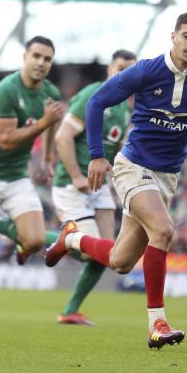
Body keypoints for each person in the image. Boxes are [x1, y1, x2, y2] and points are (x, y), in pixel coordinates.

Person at [45, 12, 187, 349]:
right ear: (172, 36)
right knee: (163, 230)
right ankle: (157, 323)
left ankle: (72, 238)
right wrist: (97, 155)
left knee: (120, 261)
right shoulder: (147, 70)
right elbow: (98, 101)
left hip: (167, 176)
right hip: (133, 166)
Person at [0, 36, 66, 327]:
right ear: (25, 57)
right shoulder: (5, 91)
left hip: (16, 175)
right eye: (37, 56)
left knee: (34, 241)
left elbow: (52, 123)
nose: (41, 63)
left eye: (47, 59)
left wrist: (47, 157)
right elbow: (5, 141)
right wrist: (43, 123)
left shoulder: (50, 91)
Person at [50, 49, 136, 326]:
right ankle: (29, 234)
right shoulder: (93, 94)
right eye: (120, 67)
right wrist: (76, 175)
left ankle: (70, 311)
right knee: (89, 250)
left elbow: (117, 151)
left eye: (130, 70)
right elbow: (63, 137)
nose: (124, 74)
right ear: (110, 68)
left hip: (100, 188)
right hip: (72, 184)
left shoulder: (125, 108)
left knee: (109, 253)